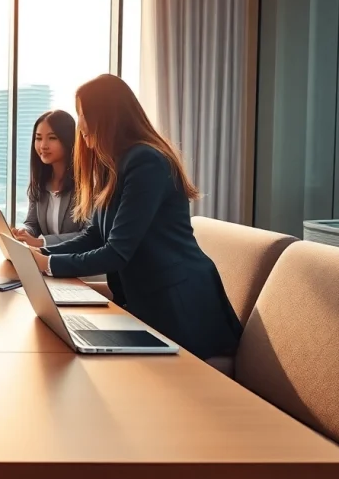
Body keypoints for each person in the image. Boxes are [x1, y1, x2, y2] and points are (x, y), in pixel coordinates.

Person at [28, 74, 242, 360]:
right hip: (145, 300)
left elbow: (117, 252)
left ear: (107, 116)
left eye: (84, 115)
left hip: (178, 308)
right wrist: (40, 252)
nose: (80, 126)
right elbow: (94, 234)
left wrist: (49, 263)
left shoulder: (146, 161)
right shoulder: (112, 163)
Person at [11, 109, 87, 247]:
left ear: (68, 140)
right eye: (38, 138)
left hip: (78, 263)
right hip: (48, 262)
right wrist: (24, 232)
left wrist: (41, 242)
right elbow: (32, 223)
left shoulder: (86, 184)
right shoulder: (41, 181)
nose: (43, 146)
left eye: (52, 138)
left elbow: (88, 234)